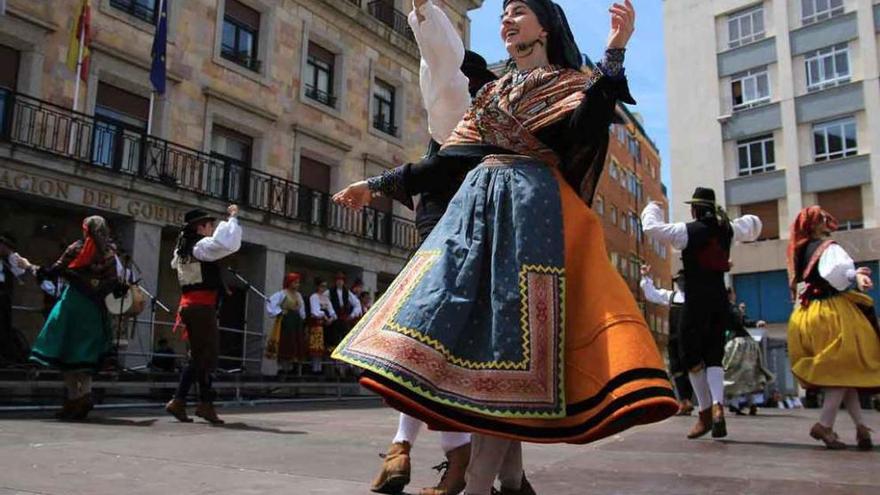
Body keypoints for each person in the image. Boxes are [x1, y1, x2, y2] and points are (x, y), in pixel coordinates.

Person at [333, 2, 678, 493]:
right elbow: (450, 161)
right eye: (502, 15)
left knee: (509, 352)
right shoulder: (492, 92)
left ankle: (481, 485)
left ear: (545, 24)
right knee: (479, 351)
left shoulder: (570, 84)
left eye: (518, 11)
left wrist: (615, 51)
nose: (507, 21)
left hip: (532, 224)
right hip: (473, 225)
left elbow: (588, 129)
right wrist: (379, 183)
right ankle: (512, 483)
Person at [642, 187, 762, 440]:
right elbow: (753, 225)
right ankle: (718, 406)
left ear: (695, 209)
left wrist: (653, 207)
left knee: (690, 357)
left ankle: (705, 412)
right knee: (714, 356)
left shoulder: (687, 231)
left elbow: (652, 228)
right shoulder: (728, 228)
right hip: (719, 299)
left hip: (695, 301)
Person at [786, 206, 879, 450]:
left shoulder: (800, 249)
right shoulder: (828, 247)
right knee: (840, 370)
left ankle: (861, 428)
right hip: (831, 313)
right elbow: (838, 274)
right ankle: (824, 425)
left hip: (808, 313)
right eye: (823, 219)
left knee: (844, 372)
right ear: (816, 225)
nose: (828, 222)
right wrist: (856, 276)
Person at [29, 217, 123, 420]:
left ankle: (76, 398)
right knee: (85, 356)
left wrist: (38, 270)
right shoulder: (110, 253)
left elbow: (57, 269)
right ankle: (81, 398)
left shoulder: (76, 247)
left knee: (66, 351)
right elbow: (113, 282)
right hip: (94, 308)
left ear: (85, 230)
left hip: (73, 303)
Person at [165, 205, 242, 425]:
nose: (211, 229)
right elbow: (225, 244)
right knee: (207, 355)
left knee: (199, 356)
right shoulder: (199, 247)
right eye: (209, 225)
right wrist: (233, 218)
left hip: (191, 306)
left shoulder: (182, 250)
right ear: (200, 227)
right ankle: (198, 403)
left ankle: (187, 402)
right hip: (200, 308)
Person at [639, 265, 694, 416]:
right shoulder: (671, 296)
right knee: (676, 369)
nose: (681, 283)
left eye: (684, 280)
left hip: (691, 338)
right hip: (674, 338)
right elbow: (652, 295)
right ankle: (684, 401)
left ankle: (689, 400)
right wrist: (646, 277)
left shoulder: (697, 298)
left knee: (691, 369)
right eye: (679, 281)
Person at [722, 290, 773, 417]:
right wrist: (750, 319)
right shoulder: (732, 308)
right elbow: (741, 321)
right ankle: (750, 403)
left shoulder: (722, 309)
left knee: (734, 374)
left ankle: (738, 404)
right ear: (731, 295)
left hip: (736, 344)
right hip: (742, 343)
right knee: (748, 373)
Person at [0, 232, 36, 364]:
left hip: (3, 296)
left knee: (4, 326)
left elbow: (21, 273)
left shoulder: (11, 258)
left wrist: (10, 255)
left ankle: (7, 356)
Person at [265, 272, 307, 373]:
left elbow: (302, 309)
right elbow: (270, 303)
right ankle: (282, 369)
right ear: (289, 282)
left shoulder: (298, 295)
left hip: (295, 321)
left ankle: (291, 369)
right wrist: (279, 311)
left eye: (298, 283)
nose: (297, 285)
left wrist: (302, 317)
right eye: (295, 282)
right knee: (285, 343)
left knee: (295, 343)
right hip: (286, 321)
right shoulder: (282, 293)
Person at [307, 278, 336, 375]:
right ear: (318, 286)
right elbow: (315, 311)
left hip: (327, 326)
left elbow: (332, 311)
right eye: (322, 286)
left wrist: (331, 318)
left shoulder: (326, 298)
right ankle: (315, 369)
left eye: (325, 286)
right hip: (317, 324)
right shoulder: (314, 297)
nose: (323, 288)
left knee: (326, 347)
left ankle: (325, 369)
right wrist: (325, 316)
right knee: (317, 347)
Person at [327, 272, 362, 351]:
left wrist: (352, 315)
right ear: (335, 281)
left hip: (344, 318)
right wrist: (331, 313)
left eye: (341, 280)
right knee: (333, 338)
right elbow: (325, 302)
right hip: (334, 318)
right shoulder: (330, 291)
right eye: (338, 280)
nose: (340, 282)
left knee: (345, 338)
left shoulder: (347, 292)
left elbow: (357, 304)